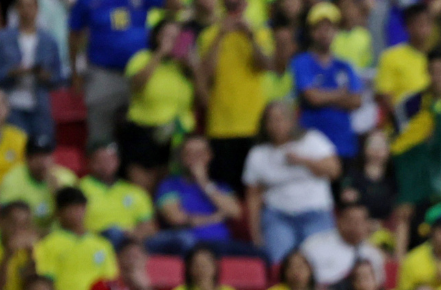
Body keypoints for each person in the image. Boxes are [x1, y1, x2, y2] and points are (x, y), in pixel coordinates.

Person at [244, 99, 339, 265]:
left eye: (281, 119)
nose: (277, 124)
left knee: (319, 263)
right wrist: (255, 234)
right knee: (280, 263)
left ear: (291, 121)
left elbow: (334, 170)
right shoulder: (258, 153)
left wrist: (304, 160)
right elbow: (253, 197)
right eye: (272, 120)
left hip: (315, 213)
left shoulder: (311, 140)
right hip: (278, 216)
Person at [198, 0, 274, 190]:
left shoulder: (260, 32)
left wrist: (250, 36)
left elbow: (265, 65)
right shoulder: (209, 34)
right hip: (220, 125)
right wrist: (220, 35)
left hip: (254, 124)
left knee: (255, 188)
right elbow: (207, 73)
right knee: (225, 186)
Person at [122, 18, 200, 184]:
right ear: (157, 37)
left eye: (176, 37)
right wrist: (160, 54)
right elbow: (136, 85)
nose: (172, 40)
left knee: (170, 186)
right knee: (144, 184)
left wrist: (192, 66)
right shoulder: (142, 58)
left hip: (177, 134)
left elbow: (201, 98)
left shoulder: (184, 67)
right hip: (145, 131)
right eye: (167, 35)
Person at [72, 0, 154, 147]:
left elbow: (173, 8)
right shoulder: (87, 3)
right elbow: (74, 34)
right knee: (100, 130)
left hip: (141, 74)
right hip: (102, 72)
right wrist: (75, 73)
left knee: (140, 130)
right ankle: (100, 164)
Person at [153, 135, 250, 255]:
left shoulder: (221, 187)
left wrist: (203, 182)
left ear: (209, 156)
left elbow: (235, 212)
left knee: (260, 254)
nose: (195, 158)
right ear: (182, 157)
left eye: (199, 153)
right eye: (189, 153)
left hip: (222, 243)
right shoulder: (170, 185)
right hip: (189, 243)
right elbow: (176, 218)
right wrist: (214, 218)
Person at [0, 0, 66, 144]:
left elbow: (58, 77)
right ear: (16, 10)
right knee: (16, 146)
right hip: (11, 103)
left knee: (43, 145)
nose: (26, 11)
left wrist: (46, 76)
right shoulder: (1, 39)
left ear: (37, 9)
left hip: (40, 104)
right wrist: (11, 73)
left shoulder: (49, 40)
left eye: (30, 6)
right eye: (22, 6)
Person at [291, 2, 363, 160]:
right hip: (311, 146)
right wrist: (341, 94)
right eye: (319, 27)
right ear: (311, 32)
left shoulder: (345, 65)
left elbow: (357, 101)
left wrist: (323, 95)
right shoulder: (301, 62)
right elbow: (312, 97)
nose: (325, 33)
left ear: (336, 31)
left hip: (344, 144)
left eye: (330, 27)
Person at [34, 187, 119, 290]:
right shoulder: (49, 244)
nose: (76, 213)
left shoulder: (102, 245)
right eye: (70, 209)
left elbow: (110, 281)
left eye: (79, 207)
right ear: (59, 213)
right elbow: (46, 282)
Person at [300, 196, 385, 288]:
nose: (356, 226)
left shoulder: (372, 255)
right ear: (339, 221)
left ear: (368, 224)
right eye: (351, 220)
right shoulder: (315, 245)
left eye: (360, 222)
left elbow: (377, 289)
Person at [80, 141, 156, 244]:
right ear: (89, 162)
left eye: (110, 159)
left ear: (117, 161)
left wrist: (134, 234)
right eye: (100, 160)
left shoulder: (134, 192)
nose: (106, 164)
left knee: (179, 239)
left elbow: (149, 226)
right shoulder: (80, 189)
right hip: (96, 242)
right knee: (113, 232)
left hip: (132, 242)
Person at [0, 137, 78, 228]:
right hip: (25, 233)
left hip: (58, 235)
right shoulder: (12, 179)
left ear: (53, 157)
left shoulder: (66, 178)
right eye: (36, 156)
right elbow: (7, 218)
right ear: (27, 159)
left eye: (46, 156)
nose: (42, 162)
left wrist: (59, 195)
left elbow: (76, 218)